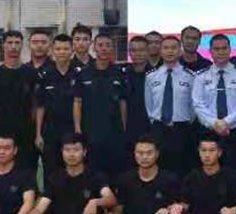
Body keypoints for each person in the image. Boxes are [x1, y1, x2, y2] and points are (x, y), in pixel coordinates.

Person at [26, 133, 123, 214]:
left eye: (76, 150)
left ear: (84, 152)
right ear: (62, 152)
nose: (71, 154)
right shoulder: (54, 178)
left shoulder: (95, 176)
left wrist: (95, 202)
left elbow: (111, 199)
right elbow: (40, 209)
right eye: (67, 150)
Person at [106, 135, 183, 214]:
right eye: (140, 153)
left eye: (149, 153)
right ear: (134, 154)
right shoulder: (125, 179)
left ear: (157, 154)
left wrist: (169, 209)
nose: (144, 157)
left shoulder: (170, 179)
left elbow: (179, 204)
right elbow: (119, 207)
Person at [192, 34, 236, 178]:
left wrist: (226, 122)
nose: (220, 52)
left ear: (230, 50)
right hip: (210, 131)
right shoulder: (201, 76)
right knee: (210, 173)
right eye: (216, 49)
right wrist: (215, 123)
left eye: (224, 48)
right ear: (210, 51)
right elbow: (198, 104)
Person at [73, 33, 128, 175]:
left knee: (115, 170)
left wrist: (124, 126)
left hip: (113, 130)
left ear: (112, 48)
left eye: (108, 45)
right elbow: (77, 102)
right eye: (100, 45)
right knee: (91, 170)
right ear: (94, 47)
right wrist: (78, 128)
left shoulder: (119, 73)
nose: (104, 49)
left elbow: (122, 102)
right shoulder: (83, 73)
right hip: (90, 130)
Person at [0, 30, 37, 171]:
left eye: (17, 43)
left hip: (26, 132)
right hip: (0, 130)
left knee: (27, 169)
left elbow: (35, 105)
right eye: (9, 42)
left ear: (22, 45)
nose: (13, 46)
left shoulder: (31, 73)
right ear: (3, 45)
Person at [145, 35, 197, 176]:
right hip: (159, 128)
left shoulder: (190, 76)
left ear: (180, 51)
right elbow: (149, 104)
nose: (170, 51)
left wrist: (186, 121)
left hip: (181, 129)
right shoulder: (151, 76)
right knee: (159, 169)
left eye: (174, 48)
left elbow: (193, 106)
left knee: (181, 169)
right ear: (160, 51)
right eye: (166, 48)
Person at [35, 33, 82, 182]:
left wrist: (78, 130)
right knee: (50, 169)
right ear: (52, 51)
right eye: (58, 49)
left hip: (71, 130)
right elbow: (40, 107)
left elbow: (79, 103)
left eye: (66, 49)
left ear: (72, 51)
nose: (62, 52)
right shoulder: (44, 74)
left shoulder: (79, 73)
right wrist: (38, 134)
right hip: (50, 131)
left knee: (73, 168)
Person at [124, 35, 153, 155]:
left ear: (148, 51)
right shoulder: (122, 75)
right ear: (129, 52)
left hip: (151, 129)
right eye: (134, 50)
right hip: (127, 130)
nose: (138, 54)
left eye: (141, 50)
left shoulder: (157, 75)